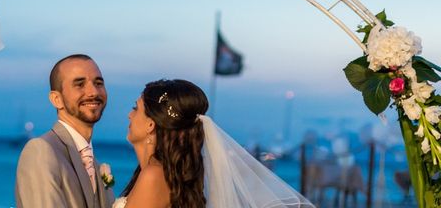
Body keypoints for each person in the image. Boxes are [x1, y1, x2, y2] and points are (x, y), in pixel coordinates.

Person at [114, 79, 315, 208]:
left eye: (136, 108)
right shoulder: (168, 174)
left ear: (151, 124)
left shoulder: (154, 175)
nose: (129, 115)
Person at [15, 54, 115, 208]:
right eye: (80, 84)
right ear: (56, 99)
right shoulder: (41, 151)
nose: (93, 92)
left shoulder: (97, 165)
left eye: (98, 83)